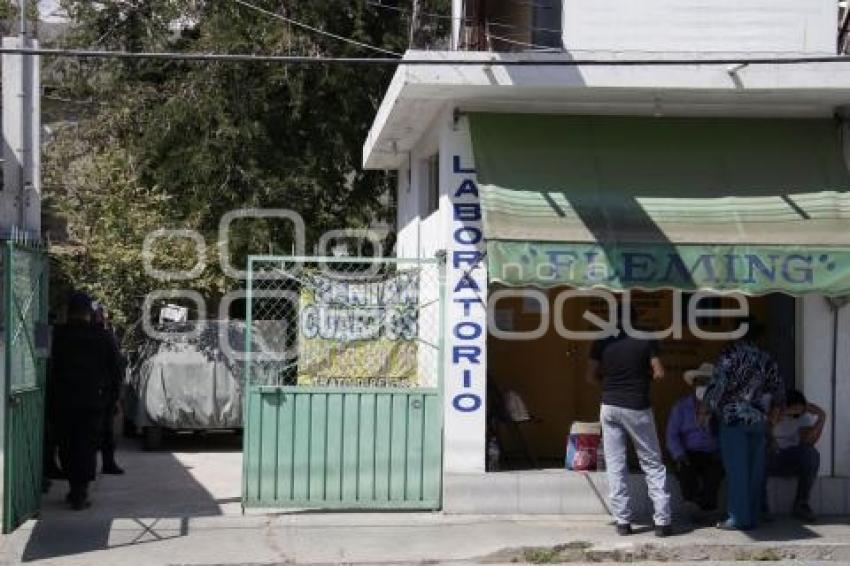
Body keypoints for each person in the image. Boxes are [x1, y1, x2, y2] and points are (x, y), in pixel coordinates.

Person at [586, 306, 672, 538]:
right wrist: (642, 378)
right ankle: (663, 522)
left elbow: (590, 376)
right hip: (637, 406)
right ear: (636, 319)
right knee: (652, 462)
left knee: (616, 464)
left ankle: (622, 522)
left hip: (610, 405)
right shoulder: (646, 337)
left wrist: (609, 386)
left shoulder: (602, 339)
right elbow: (660, 373)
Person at [703, 322, 784, 531]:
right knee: (754, 471)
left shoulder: (730, 355)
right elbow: (778, 389)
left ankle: (738, 518)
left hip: (733, 419)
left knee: (737, 471)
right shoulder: (766, 358)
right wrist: (774, 414)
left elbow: (717, 387)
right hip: (757, 419)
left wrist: (706, 409)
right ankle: (752, 515)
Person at [51, 292, 123, 509]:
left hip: (63, 400)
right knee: (86, 446)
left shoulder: (57, 335)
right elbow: (116, 370)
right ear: (89, 313)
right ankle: (80, 492)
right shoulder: (103, 336)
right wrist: (113, 399)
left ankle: (74, 487)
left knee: (67, 445)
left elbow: (44, 363)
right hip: (93, 401)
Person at [666, 362, 724, 516]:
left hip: (711, 452)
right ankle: (691, 504)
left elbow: (723, 434)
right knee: (685, 468)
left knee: (715, 471)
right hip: (688, 451)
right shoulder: (681, 406)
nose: (703, 386)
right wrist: (679, 453)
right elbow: (672, 434)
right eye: (700, 382)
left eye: (708, 383)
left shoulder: (720, 408)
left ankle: (707, 508)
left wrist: (709, 418)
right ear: (694, 384)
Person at [766, 389, 825, 522]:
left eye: (800, 410)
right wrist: (783, 412)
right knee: (760, 452)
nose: (797, 413)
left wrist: (821, 418)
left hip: (789, 458)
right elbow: (766, 429)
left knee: (811, 453)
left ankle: (801, 504)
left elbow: (808, 441)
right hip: (768, 457)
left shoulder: (802, 416)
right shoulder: (771, 411)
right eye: (794, 410)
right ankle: (761, 507)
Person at [93, 303, 125, 475]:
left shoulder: (65, 334)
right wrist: (116, 394)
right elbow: (116, 368)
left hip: (83, 393)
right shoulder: (106, 337)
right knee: (105, 431)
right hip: (102, 392)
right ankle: (107, 463)